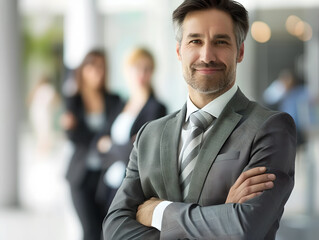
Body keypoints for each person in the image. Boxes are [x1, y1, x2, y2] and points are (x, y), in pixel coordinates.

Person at [103, 1, 296, 239]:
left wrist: (158, 212)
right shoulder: (149, 135)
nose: (207, 56)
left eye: (221, 42)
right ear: (179, 51)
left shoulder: (270, 128)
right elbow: (114, 229)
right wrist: (220, 216)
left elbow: (245, 228)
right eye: (195, 41)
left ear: (241, 51)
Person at [95, 47, 167, 216]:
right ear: (127, 70)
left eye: (147, 68)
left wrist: (110, 146)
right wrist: (123, 147)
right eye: (137, 67)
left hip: (131, 189)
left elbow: (140, 151)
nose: (141, 73)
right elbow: (97, 143)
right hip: (108, 185)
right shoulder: (120, 104)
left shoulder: (156, 108)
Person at [60, 50, 122, 240]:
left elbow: (114, 133)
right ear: (83, 69)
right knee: (89, 230)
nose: (97, 71)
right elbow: (72, 134)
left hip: (106, 176)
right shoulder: (73, 100)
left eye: (102, 66)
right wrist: (100, 141)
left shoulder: (114, 100)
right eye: (92, 66)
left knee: (105, 229)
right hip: (80, 176)